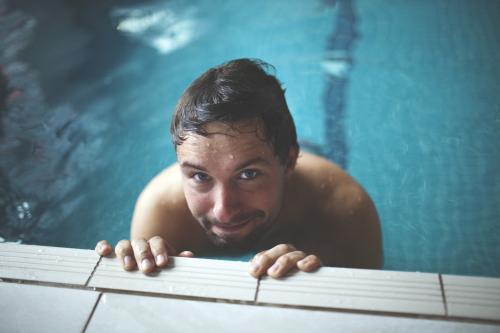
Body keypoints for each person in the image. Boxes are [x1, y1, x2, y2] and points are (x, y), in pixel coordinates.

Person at [95, 58, 382, 278]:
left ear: (289, 162)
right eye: (199, 175)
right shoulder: (161, 209)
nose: (223, 211)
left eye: (248, 175)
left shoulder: (342, 208)